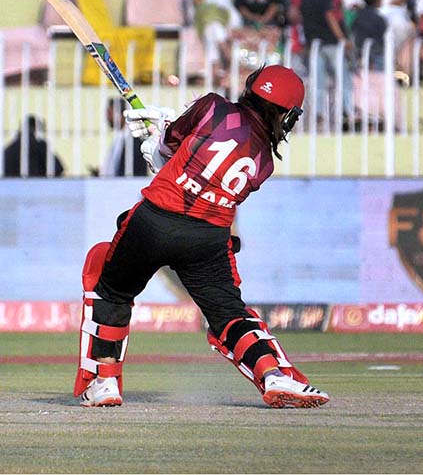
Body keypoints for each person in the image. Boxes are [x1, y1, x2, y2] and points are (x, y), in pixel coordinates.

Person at [74, 64, 329, 409]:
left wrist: (159, 137)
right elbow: (202, 174)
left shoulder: (212, 106)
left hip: (154, 221)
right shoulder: (265, 161)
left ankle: (104, 382)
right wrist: (166, 146)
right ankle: (272, 373)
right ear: (286, 115)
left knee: (111, 290)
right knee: (228, 314)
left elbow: (168, 149)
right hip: (206, 238)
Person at [289, 0, 353, 123]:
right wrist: (343, 40)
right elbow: (331, 17)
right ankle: (348, 111)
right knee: (343, 79)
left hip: (314, 44)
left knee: (318, 80)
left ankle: (319, 113)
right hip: (331, 43)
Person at [186, 0, 241, 84]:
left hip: (224, 13)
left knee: (211, 27)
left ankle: (216, 66)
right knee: (212, 24)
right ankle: (225, 52)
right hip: (204, 14)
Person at [97, 97, 149, 177]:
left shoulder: (135, 139)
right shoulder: (119, 137)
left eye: (110, 113)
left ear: (119, 114)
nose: (107, 118)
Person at [351, 0, 387, 69]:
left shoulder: (357, 16)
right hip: (376, 55)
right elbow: (383, 37)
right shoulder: (379, 19)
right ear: (377, 0)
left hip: (359, 53)